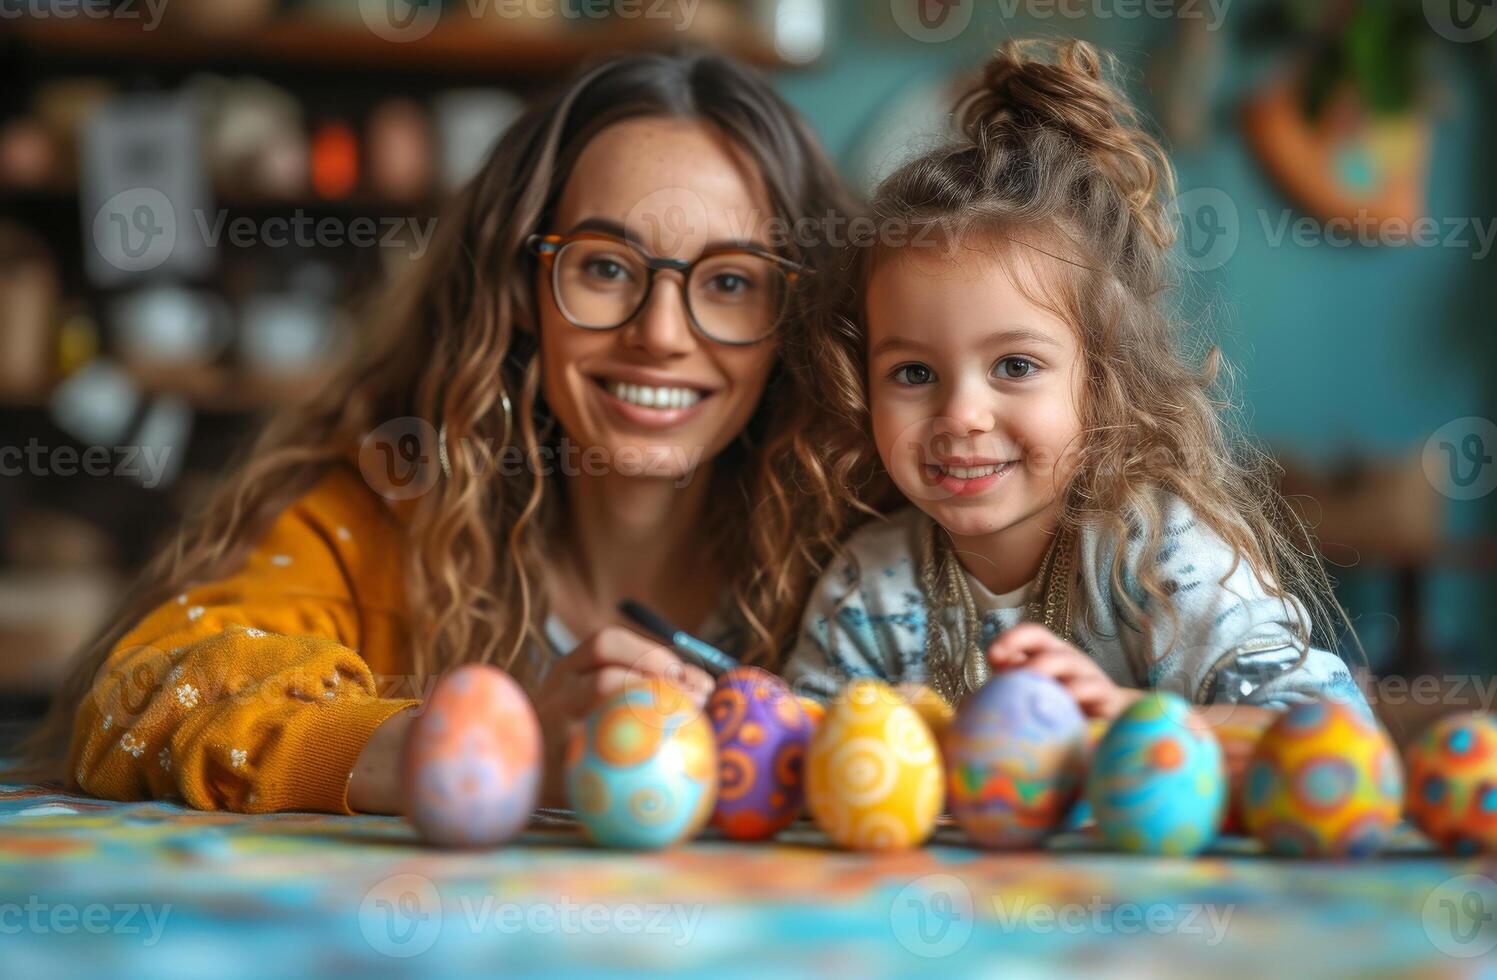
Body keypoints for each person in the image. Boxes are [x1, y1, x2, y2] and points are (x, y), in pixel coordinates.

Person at [12, 51, 858, 814]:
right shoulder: (387, 510)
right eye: (603, 266)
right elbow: (141, 698)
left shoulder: (860, 537)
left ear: (798, 313)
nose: (662, 332)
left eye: (732, 281)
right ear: (519, 289)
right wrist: (490, 748)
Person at [785, 39, 1367, 730]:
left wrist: (1129, 719)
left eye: (1014, 367)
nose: (962, 415)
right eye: (913, 373)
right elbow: (798, 763)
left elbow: (1330, 730)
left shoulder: (1157, 552)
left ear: (1101, 379)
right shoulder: (868, 587)